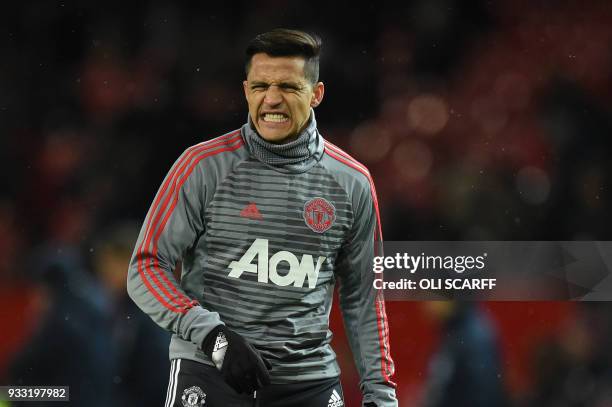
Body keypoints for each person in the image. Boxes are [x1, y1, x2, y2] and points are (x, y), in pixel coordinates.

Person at [127, 28, 397, 407]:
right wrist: (212, 335)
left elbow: (364, 297)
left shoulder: (352, 183)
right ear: (245, 90)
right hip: (210, 374)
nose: (272, 99)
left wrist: (381, 397)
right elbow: (145, 268)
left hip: (309, 385)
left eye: (288, 86)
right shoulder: (202, 167)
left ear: (316, 94)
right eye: (260, 87)